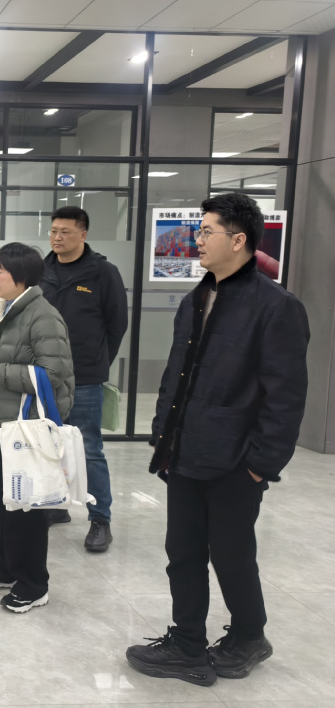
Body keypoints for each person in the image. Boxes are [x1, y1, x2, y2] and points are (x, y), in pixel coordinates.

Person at [126, 193, 309, 685]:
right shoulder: (196, 299)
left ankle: (249, 636)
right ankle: (187, 644)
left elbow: (286, 396)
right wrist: (164, 437)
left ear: (239, 239)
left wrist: (259, 464)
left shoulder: (277, 307)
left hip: (235, 460)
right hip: (185, 452)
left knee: (231, 554)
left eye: (207, 231)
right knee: (182, 552)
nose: (198, 241)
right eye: (199, 231)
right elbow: (176, 375)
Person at [0, 243, 74, 613]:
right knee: (5, 501)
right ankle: (3, 569)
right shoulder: (2, 310)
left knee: (25, 508)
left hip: (28, 428)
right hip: (4, 426)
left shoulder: (43, 316)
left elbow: (53, 373)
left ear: (22, 276)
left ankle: (33, 584)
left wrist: (3, 373)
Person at [38, 206, 127, 552]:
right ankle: (56, 505)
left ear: (83, 235)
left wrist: (97, 362)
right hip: (44, 376)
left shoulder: (103, 273)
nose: (57, 237)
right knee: (47, 445)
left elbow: (116, 325)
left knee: (89, 449)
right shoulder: (41, 271)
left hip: (85, 377)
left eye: (65, 232)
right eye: (53, 231)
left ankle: (100, 519)